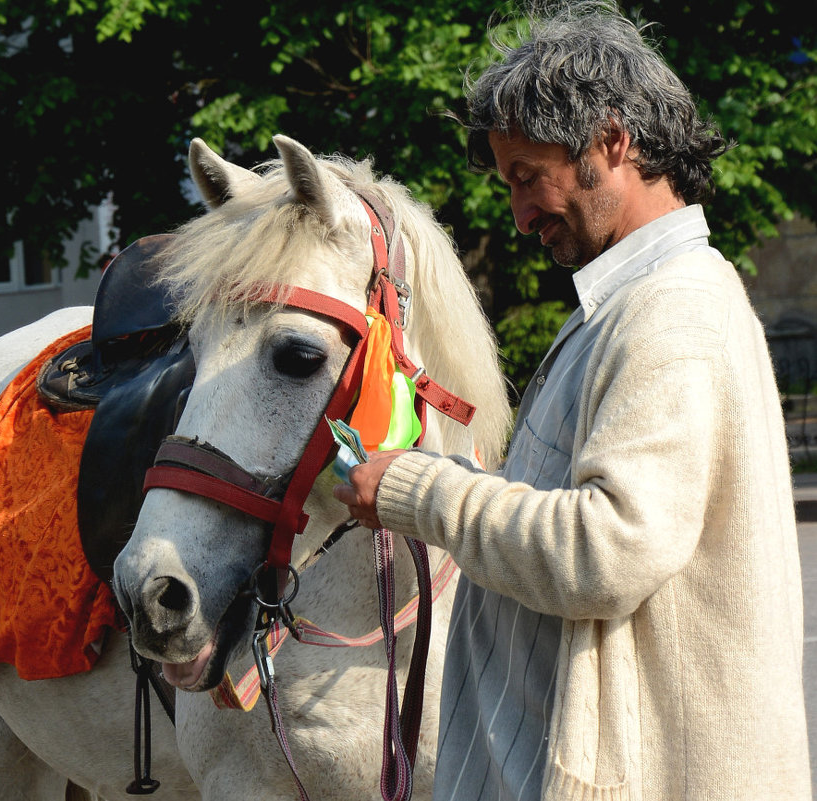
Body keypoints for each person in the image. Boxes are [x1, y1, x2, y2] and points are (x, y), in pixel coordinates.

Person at [333, 2, 810, 799]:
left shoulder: (670, 308)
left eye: (528, 178)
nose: (518, 215)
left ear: (612, 142)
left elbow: (605, 550)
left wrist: (420, 490)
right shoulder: (626, 305)